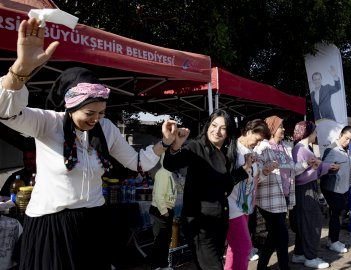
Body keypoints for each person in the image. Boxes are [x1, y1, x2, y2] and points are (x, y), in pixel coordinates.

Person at [0, 18, 178, 269]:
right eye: (89, 113)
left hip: (93, 221)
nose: (96, 119)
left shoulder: (105, 128)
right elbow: (6, 111)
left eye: (101, 113)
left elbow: (136, 162)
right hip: (52, 225)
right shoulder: (47, 123)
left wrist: (164, 142)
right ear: (70, 106)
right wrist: (20, 69)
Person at [163, 109, 251, 270]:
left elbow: (225, 186)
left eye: (222, 128)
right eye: (214, 125)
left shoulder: (225, 155)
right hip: (200, 224)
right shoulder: (197, 147)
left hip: (219, 222)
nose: (217, 131)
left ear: (228, 132)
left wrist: (244, 170)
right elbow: (170, 164)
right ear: (208, 125)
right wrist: (175, 145)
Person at [254, 115, 315, 270]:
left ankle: (261, 266)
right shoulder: (262, 147)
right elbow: (256, 174)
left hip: (283, 197)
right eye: (280, 126)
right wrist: (266, 170)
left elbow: (293, 168)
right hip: (268, 200)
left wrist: (306, 163)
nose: (283, 129)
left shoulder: (285, 147)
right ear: (272, 128)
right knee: (282, 235)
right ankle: (284, 267)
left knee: (274, 235)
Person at [224, 119, 270, 270]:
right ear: (249, 131)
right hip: (232, 207)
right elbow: (226, 180)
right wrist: (245, 167)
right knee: (244, 248)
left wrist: (263, 172)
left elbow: (252, 179)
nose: (257, 144)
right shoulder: (232, 150)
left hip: (245, 206)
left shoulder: (250, 152)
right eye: (258, 139)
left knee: (235, 248)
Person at [290, 121, 330, 269]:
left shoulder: (303, 148)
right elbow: (298, 174)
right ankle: (310, 257)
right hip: (305, 189)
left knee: (306, 222)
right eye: (314, 132)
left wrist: (324, 166)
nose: (316, 135)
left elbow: (311, 170)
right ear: (308, 132)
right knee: (312, 223)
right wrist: (318, 166)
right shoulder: (300, 149)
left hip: (307, 188)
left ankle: (300, 254)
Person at [320, 126, 351, 253]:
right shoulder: (332, 149)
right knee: (336, 214)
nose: (348, 142)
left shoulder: (347, 151)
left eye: (350, 140)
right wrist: (331, 168)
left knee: (339, 214)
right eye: (346, 138)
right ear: (341, 135)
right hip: (332, 188)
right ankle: (333, 242)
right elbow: (322, 168)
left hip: (343, 188)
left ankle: (333, 240)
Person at [149, 154, 177, 270]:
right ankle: (156, 266)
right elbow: (159, 195)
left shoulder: (168, 173)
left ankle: (164, 264)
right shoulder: (162, 173)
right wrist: (164, 211)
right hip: (160, 211)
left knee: (166, 239)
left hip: (166, 210)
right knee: (160, 239)